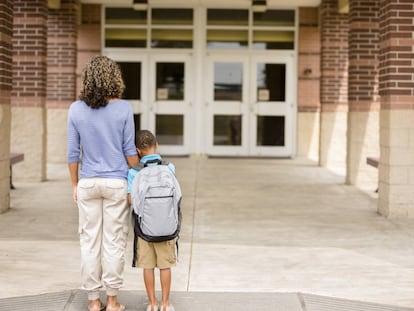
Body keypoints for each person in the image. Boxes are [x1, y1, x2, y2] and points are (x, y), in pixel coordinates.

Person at [67, 55, 139, 311]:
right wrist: (142, 166)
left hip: (88, 183)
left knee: (89, 242)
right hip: (116, 183)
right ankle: (112, 300)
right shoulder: (124, 109)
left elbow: (72, 153)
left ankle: (93, 301)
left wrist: (75, 185)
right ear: (114, 78)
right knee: (114, 241)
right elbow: (130, 154)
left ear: (88, 78)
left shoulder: (76, 109)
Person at [127, 130, 176, 311]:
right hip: (166, 226)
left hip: (144, 228)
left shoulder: (134, 172)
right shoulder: (169, 168)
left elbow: (131, 200)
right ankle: (165, 304)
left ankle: (152, 303)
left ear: (138, 150)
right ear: (157, 145)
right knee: (165, 266)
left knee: (148, 266)